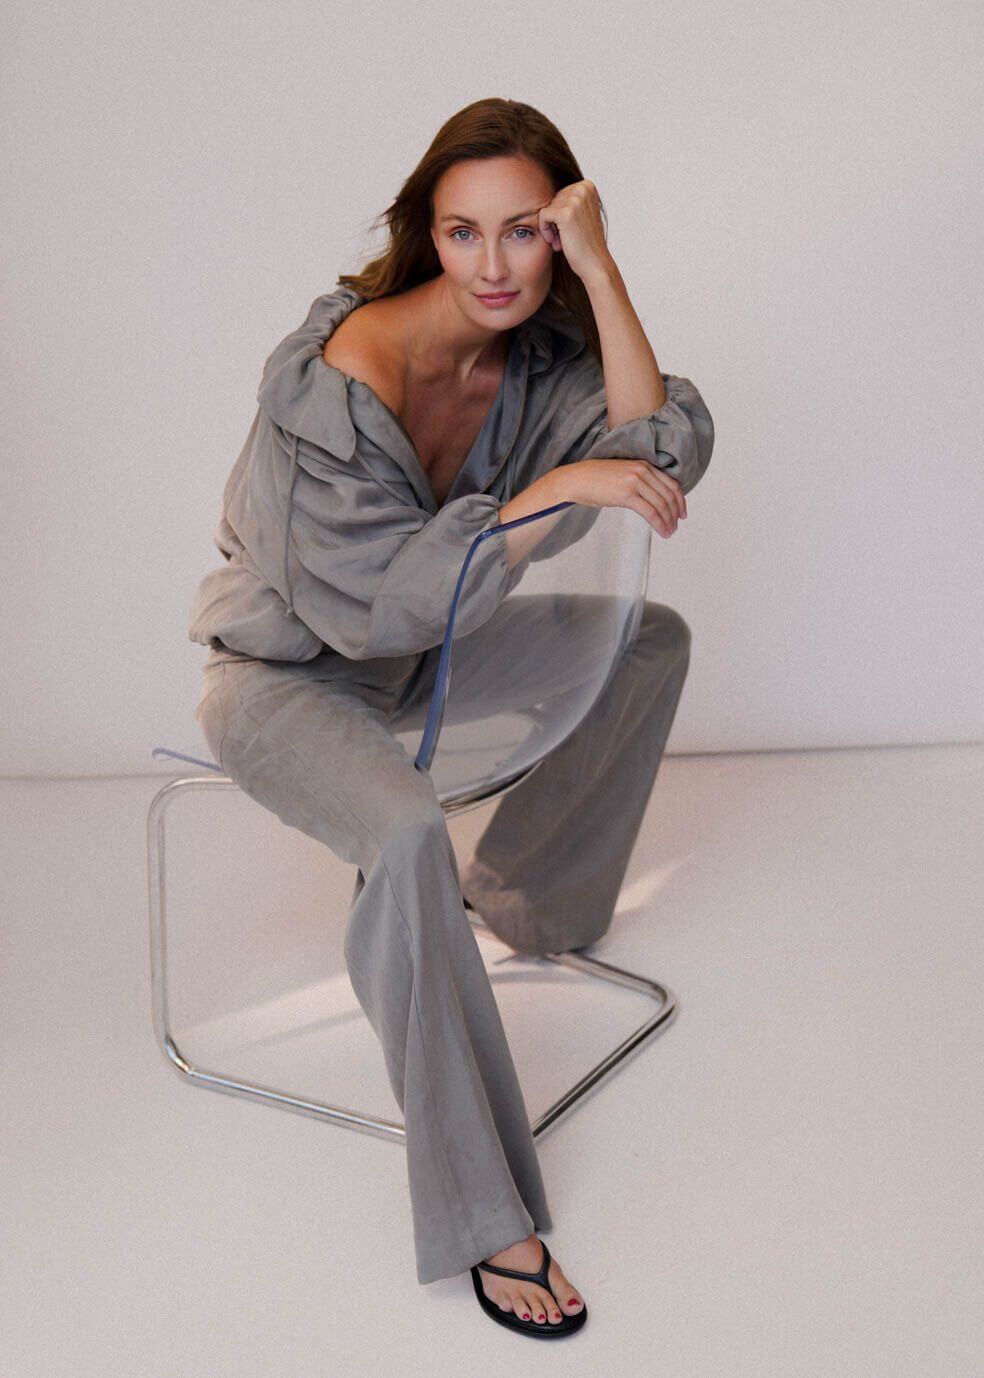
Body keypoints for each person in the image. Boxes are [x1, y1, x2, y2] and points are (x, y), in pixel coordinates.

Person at [188, 97, 714, 1339]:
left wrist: (604, 269)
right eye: (463, 231)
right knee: (409, 830)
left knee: (646, 642)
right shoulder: (336, 377)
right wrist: (557, 488)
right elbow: (377, 603)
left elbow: (661, 447)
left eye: (525, 231)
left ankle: (528, 901)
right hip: (286, 679)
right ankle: (485, 1215)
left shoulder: (531, 357)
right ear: (427, 233)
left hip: (424, 662)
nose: (493, 265)